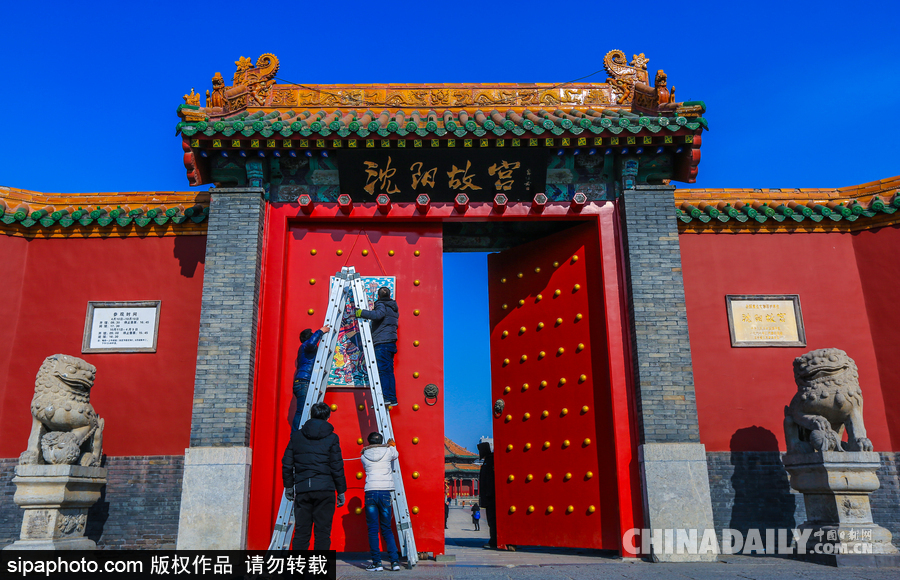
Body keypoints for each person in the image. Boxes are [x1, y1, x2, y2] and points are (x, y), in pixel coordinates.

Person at [282, 402, 347, 550]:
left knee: (301, 533)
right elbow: (336, 465)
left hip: (303, 488)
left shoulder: (297, 436)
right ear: (328, 417)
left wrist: (288, 486)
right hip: (325, 489)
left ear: (311, 415)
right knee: (323, 533)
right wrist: (341, 490)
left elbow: (287, 463)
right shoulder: (332, 438)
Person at [361, 432, 400, 572]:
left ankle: (377, 563)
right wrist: (392, 445)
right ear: (381, 440)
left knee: (372, 529)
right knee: (386, 529)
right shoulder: (389, 451)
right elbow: (396, 454)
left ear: (369, 441)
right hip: (385, 492)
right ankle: (394, 562)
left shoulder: (363, 456)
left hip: (370, 491)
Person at [355, 287, 399, 406]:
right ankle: (391, 398)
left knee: (382, 371)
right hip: (390, 342)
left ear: (378, 297)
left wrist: (361, 312)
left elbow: (378, 315)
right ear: (389, 295)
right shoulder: (393, 307)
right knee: (389, 371)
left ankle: (384, 398)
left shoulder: (381, 304)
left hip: (382, 342)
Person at [292, 325, 331, 431]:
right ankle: (296, 435)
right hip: (304, 382)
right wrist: (321, 331)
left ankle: (299, 433)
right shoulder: (306, 346)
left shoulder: (305, 349)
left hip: (302, 382)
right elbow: (310, 343)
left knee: (303, 410)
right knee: (302, 410)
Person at [477, 440, 496, 549]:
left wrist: (488, 494)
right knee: (491, 520)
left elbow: (489, 480)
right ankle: (493, 539)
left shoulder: (490, 462)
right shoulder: (487, 462)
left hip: (491, 496)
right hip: (488, 496)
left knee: (492, 519)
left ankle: (494, 540)